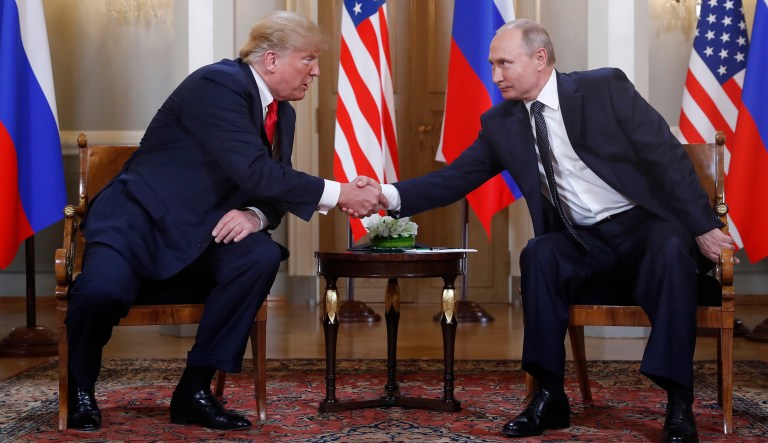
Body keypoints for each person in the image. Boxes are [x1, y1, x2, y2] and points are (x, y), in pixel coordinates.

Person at [361, 19, 736, 443]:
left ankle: (678, 402)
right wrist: (385, 195)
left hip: (644, 227)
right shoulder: (501, 123)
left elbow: (667, 159)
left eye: (505, 63)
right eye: (492, 65)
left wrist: (704, 227)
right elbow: (454, 179)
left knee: (670, 248)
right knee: (539, 254)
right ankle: (548, 395)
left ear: (540, 59)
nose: (496, 75)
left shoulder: (603, 89)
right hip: (584, 241)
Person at [66, 11, 384, 432]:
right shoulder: (218, 85)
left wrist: (255, 215)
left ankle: (193, 392)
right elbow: (256, 171)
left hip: (205, 235)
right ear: (271, 60)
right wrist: (341, 193)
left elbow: (269, 186)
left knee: (259, 255)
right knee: (101, 293)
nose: (317, 72)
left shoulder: (282, 113)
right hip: (140, 225)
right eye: (309, 59)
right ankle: (80, 390)